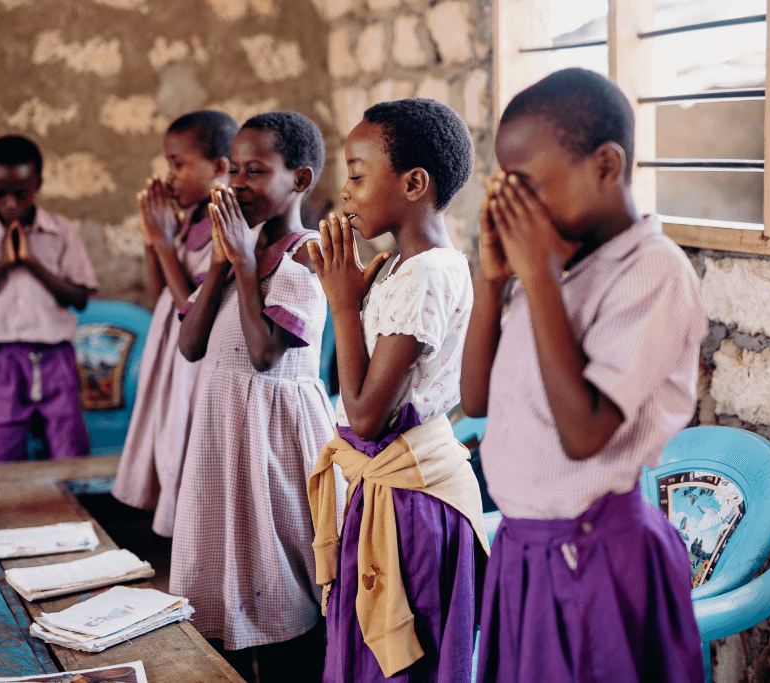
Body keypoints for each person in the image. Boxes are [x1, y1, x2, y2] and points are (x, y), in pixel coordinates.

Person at [461, 68, 708, 683]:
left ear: (605, 165)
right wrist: (494, 282)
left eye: (532, 188)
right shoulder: (558, 266)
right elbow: (475, 399)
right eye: (507, 192)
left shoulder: (653, 272)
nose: (519, 212)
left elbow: (584, 433)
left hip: (597, 558)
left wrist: (538, 277)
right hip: (526, 550)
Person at [306, 98, 489, 683]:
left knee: (399, 659)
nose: (347, 192)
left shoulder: (426, 275)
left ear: (414, 183)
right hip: (392, 486)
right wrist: (356, 296)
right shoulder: (396, 267)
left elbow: (364, 417)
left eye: (358, 175)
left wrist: (340, 303)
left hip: (411, 504)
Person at [172, 111, 334, 682]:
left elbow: (266, 355)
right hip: (226, 440)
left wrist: (243, 264)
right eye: (234, 170)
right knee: (234, 580)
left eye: (256, 171)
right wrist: (222, 262)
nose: (238, 184)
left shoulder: (306, 255)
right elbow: (190, 347)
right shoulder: (238, 249)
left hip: (276, 445)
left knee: (284, 580)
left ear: (300, 179)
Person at [112, 110, 238, 537]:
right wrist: (155, 238)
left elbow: (193, 308)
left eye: (179, 164)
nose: (170, 176)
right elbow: (162, 295)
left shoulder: (223, 228)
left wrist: (166, 244)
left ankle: (192, 543)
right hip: (170, 355)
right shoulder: (188, 223)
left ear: (219, 168)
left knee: (186, 446)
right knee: (166, 442)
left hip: (196, 361)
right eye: (169, 163)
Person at [0, 135, 99, 463]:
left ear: (38, 183)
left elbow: (79, 298)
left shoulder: (60, 232)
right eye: (0, 192)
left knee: (68, 452)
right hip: (1, 363)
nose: (10, 202)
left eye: (21, 193)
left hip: (57, 359)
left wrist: (30, 262)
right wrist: (1, 266)